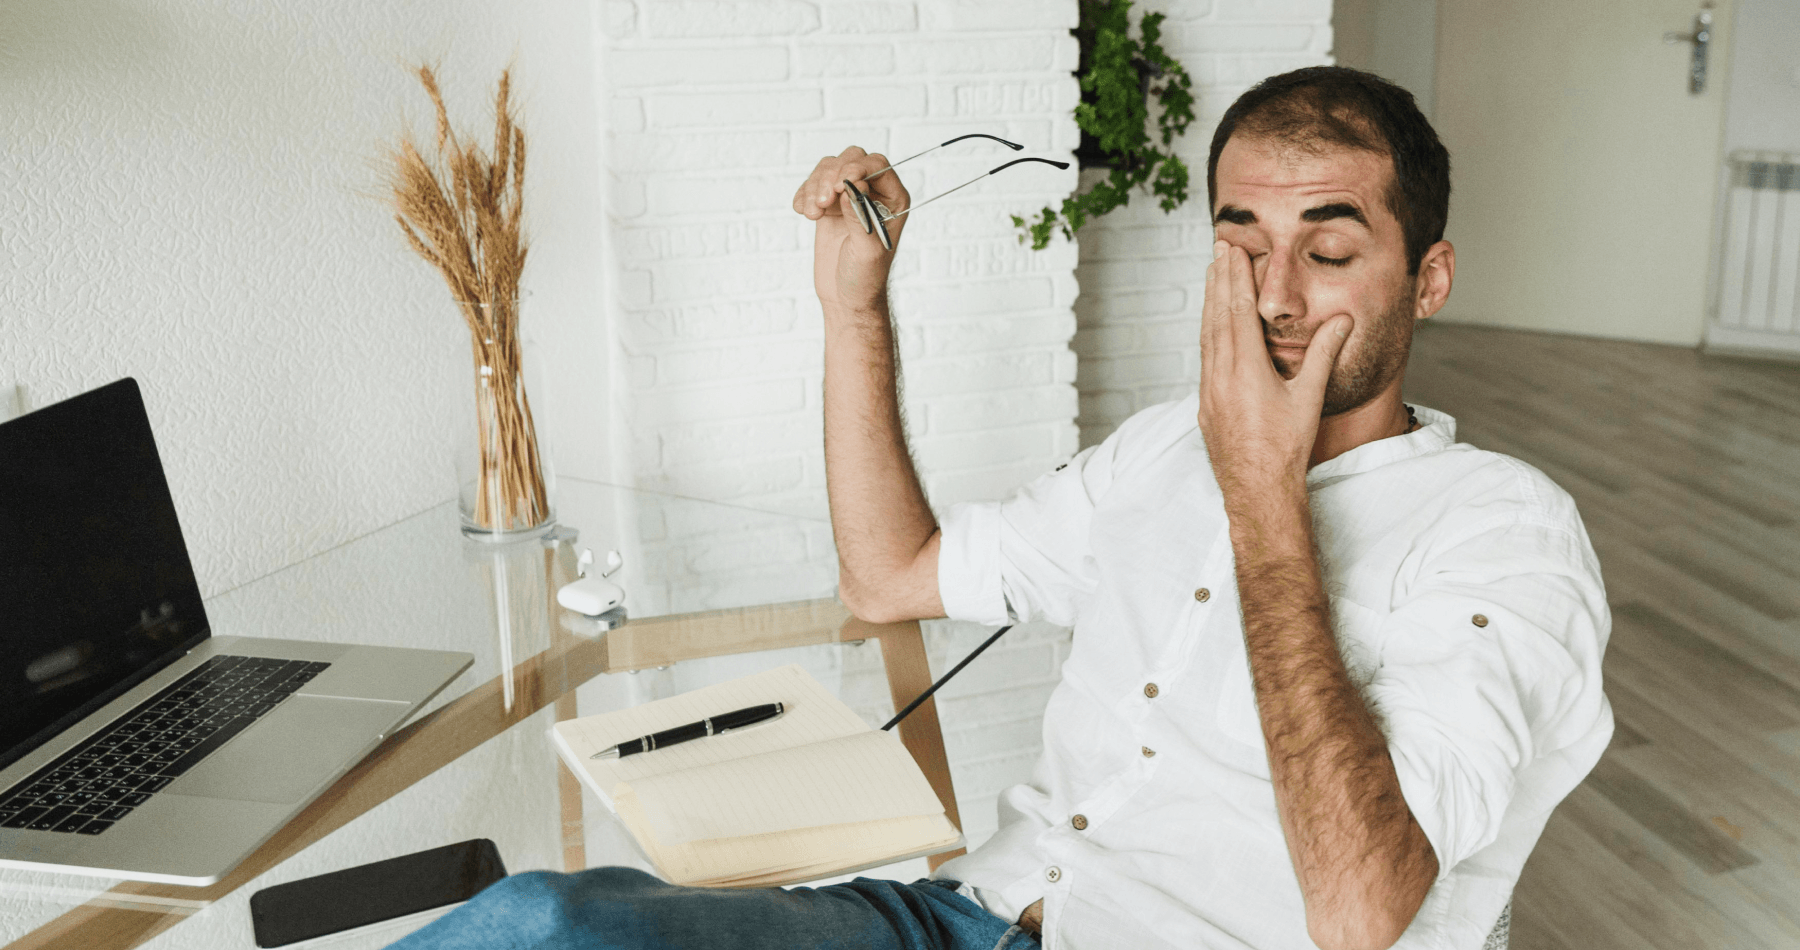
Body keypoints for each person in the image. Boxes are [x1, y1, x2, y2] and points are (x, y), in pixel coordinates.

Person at [386, 65, 1612, 950]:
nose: (1274, 296)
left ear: (1428, 279)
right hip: (966, 916)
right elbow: (890, 574)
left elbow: (1360, 909)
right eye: (1242, 245)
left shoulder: (1504, 531)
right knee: (540, 921)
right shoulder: (1158, 452)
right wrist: (854, 308)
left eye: (1329, 251)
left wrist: (1261, 491)